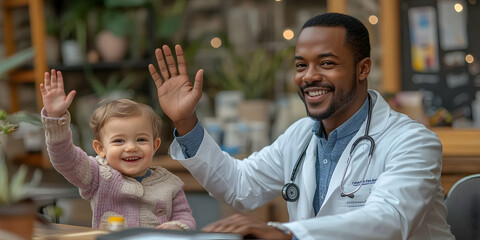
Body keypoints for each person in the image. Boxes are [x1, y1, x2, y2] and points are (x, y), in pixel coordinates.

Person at [148, 13, 454, 239]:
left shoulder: (413, 141)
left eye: (327, 63)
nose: (309, 76)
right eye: (301, 65)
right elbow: (240, 187)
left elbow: (390, 220)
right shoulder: (300, 135)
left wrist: (286, 232)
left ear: (363, 69)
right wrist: (185, 122)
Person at [40, 69, 196, 230]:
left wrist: (177, 226)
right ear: (100, 148)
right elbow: (65, 159)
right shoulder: (96, 174)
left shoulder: (170, 183)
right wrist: (55, 118)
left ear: (155, 145)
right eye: (119, 141)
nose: (131, 147)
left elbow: (184, 216)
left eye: (141, 139)